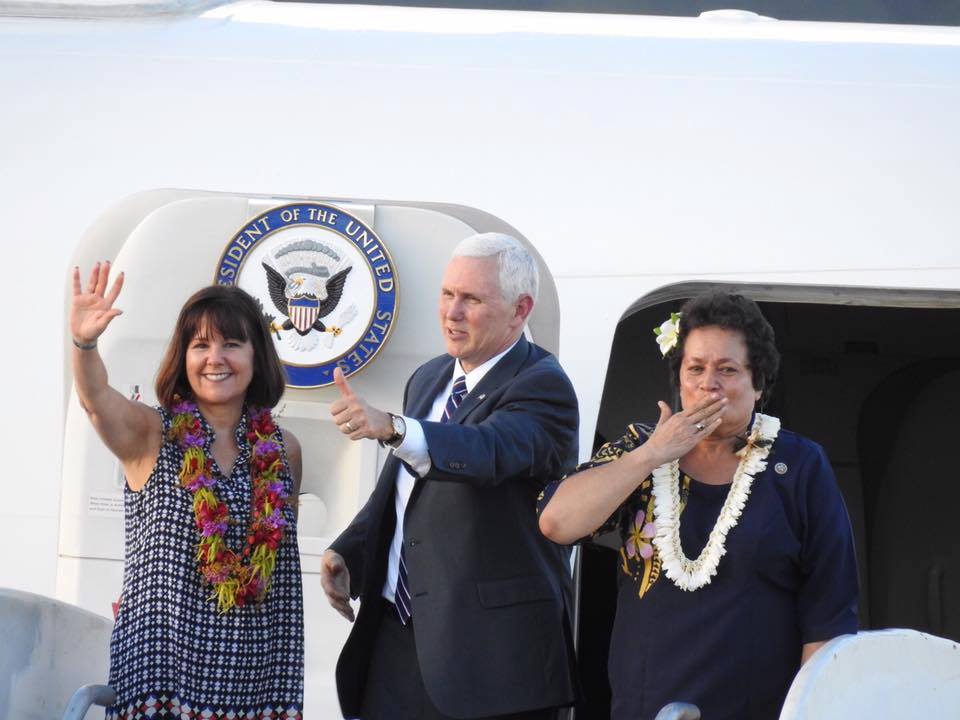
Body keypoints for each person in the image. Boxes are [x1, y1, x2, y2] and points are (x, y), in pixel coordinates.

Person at [538, 291, 859, 720]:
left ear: (758, 383)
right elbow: (557, 523)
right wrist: (653, 454)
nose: (709, 383)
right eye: (696, 369)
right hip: (646, 708)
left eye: (727, 370)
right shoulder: (641, 448)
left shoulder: (797, 465)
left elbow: (829, 611)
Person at [320, 232, 579, 720]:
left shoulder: (544, 384)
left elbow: (486, 452)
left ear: (520, 310)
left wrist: (395, 428)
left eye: (472, 299)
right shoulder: (431, 376)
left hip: (490, 663)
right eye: (447, 294)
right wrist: (351, 547)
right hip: (397, 644)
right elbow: (406, 489)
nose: (451, 312)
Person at [70, 262, 304, 719]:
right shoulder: (150, 433)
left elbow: (273, 565)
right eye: (200, 346)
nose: (215, 358)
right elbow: (96, 400)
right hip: (163, 679)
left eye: (231, 344)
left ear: (256, 358)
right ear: (184, 358)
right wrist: (84, 343)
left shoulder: (284, 450)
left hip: (257, 683)